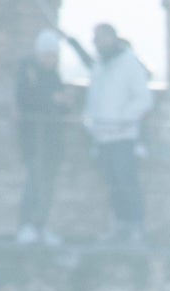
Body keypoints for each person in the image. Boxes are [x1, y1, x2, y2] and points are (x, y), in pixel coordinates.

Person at [80, 24, 150, 247]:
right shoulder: (99, 66)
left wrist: (122, 120)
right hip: (102, 137)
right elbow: (93, 99)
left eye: (100, 38)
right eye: (95, 39)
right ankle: (120, 227)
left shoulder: (129, 64)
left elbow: (143, 99)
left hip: (123, 136)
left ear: (111, 38)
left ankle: (136, 228)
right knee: (112, 185)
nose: (97, 43)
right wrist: (91, 124)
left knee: (127, 183)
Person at [12, 33, 70, 245]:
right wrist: (52, 99)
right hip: (34, 138)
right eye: (47, 55)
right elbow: (27, 99)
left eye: (54, 55)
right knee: (34, 181)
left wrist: (63, 101)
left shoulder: (54, 75)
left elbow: (61, 106)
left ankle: (41, 226)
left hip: (52, 140)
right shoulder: (27, 71)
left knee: (48, 184)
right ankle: (26, 225)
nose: (50, 60)